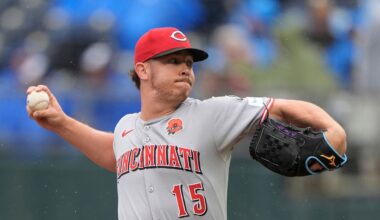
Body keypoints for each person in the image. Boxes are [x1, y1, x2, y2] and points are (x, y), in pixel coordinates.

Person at [26, 27, 347, 220]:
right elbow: (115, 153)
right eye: (173, 61)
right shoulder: (126, 127)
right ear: (143, 70)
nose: (185, 69)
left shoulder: (213, 114)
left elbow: (282, 106)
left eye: (189, 63)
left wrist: (334, 131)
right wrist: (61, 123)